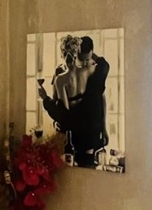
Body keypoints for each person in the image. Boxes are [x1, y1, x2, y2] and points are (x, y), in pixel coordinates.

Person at [38, 35, 109, 168]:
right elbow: (104, 66)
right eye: (84, 59)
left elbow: (64, 114)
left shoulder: (60, 79)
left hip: (73, 133)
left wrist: (45, 99)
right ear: (77, 54)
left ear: (63, 54)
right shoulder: (89, 71)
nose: (86, 62)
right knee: (87, 167)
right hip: (88, 131)